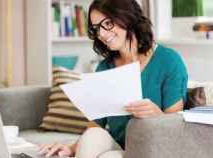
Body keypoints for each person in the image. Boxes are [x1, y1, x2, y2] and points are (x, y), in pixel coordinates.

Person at [38, 0, 188, 157]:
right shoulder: (105, 67)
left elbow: (175, 128)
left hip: (152, 150)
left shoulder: (168, 61)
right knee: (94, 135)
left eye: (108, 23)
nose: (101, 34)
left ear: (128, 17)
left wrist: (157, 116)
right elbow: (95, 126)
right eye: (96, 28)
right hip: (120, 148)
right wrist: (71, 148)